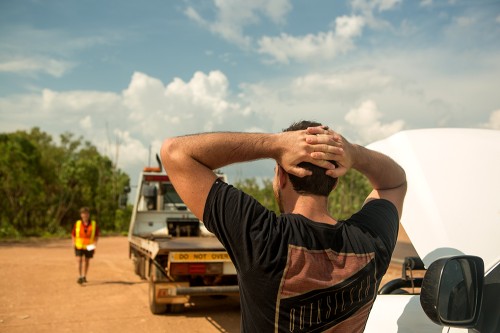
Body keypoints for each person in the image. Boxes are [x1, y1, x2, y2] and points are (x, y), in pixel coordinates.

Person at [160, 120, 406, 332]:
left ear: (281, 176)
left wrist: (275, 144)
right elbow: (394, 183)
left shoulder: (263, 236)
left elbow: (175, 151)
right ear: (334, 184)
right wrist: (353, 153)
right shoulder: (369, 242)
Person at [71, 207, 99, 284]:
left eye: (86, 213)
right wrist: (73, 242)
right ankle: (79, 276)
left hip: (89, 246)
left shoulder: (93, 224)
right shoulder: (77, 224)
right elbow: (73, 234)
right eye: (83, 213)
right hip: (79, 245)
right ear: (81, 215)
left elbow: (96, 236)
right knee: (79, 260)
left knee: (86, 261)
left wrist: (95, 244)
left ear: (88, 215)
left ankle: (84, 276)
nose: (85, 215)